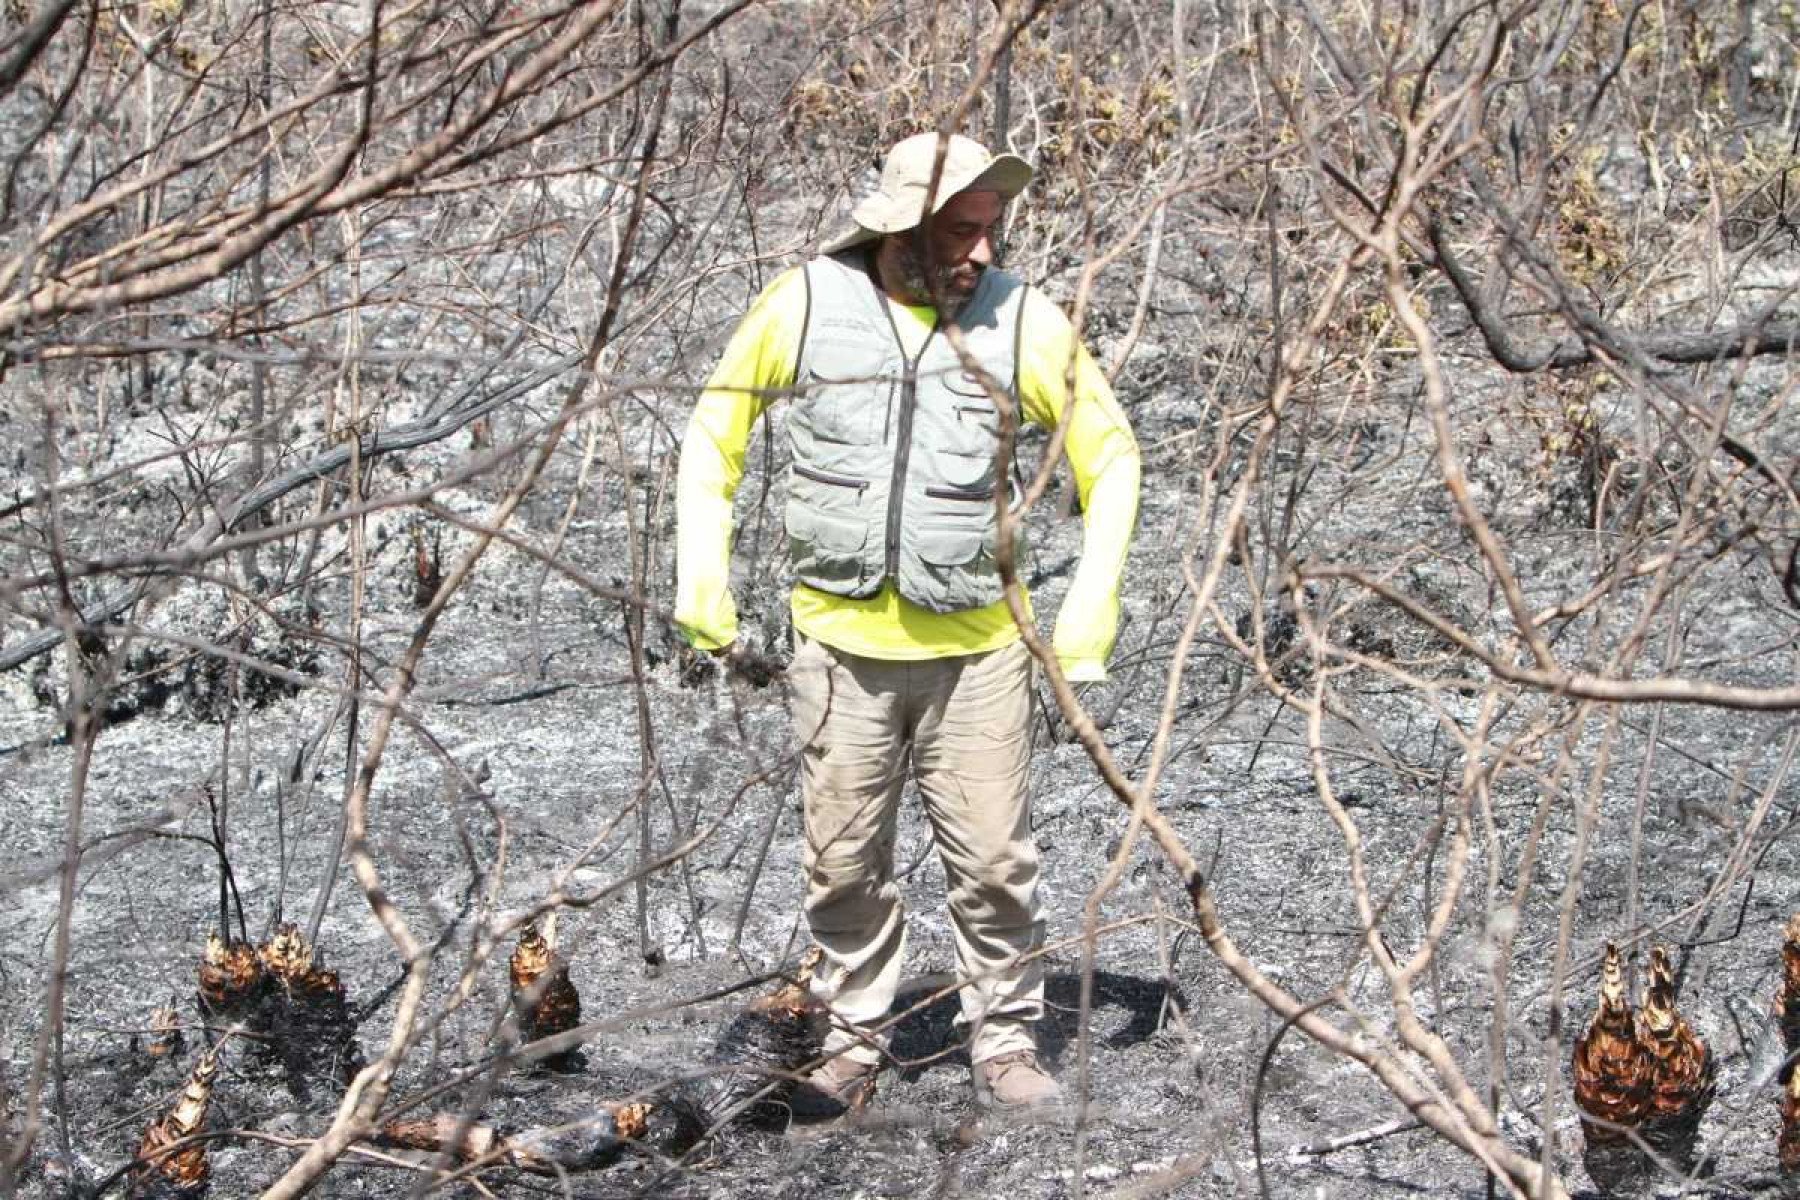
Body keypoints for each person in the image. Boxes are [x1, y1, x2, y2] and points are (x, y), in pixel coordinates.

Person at [674, 131, 1140, 1111]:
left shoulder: (1026, 323)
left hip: (979, 656)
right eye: (959, 231)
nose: (980, 251)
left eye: (989, 231)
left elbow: (1112, 454)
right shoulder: (805, 304)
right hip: (839, 651)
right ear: (899, 225)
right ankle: (850, 1040)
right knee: (843, 865)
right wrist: (701, 581)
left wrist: (1087, 618)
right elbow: (716, 428)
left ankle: (1006, 1041)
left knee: (996, 867)